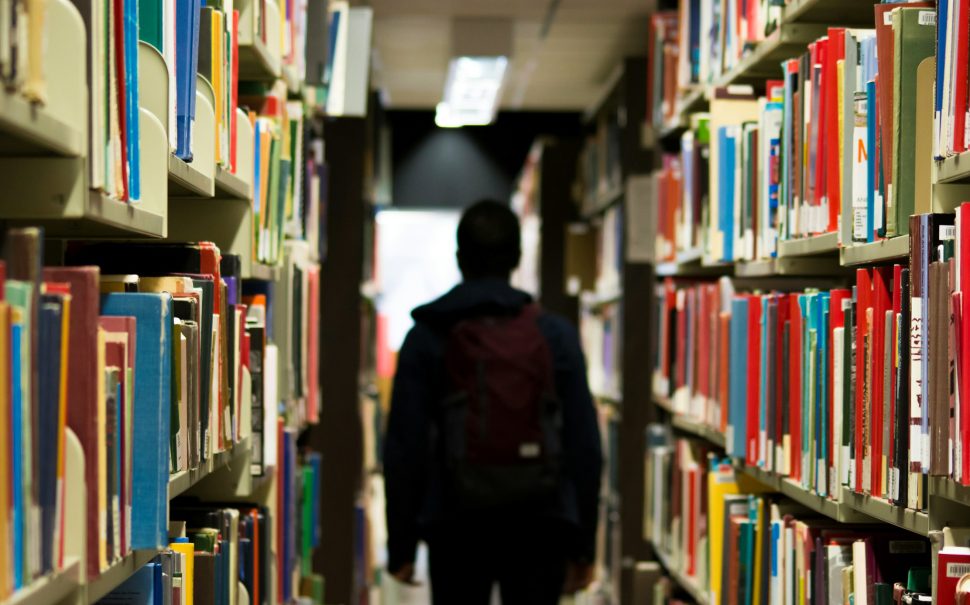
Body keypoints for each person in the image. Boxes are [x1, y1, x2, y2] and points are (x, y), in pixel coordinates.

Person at [383, 199, 603, 605]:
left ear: (459, 257)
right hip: (542, 523)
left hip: (454, 523)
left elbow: (404, 447)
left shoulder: (427, 336)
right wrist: (583, 544)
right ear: (517, 257)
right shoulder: (555, 335)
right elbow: (585, 446)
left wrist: (402, 546)